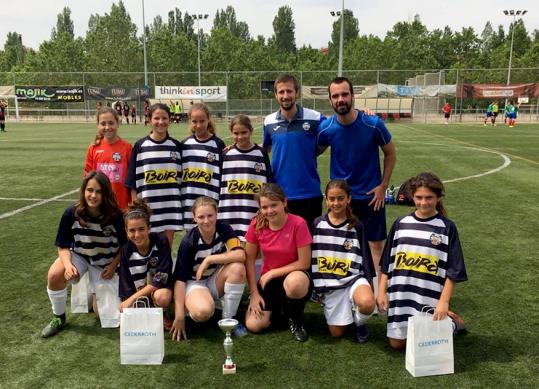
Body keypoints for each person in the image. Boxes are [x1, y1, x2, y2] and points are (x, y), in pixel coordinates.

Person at [318, 77, 396, 293]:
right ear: (330, 100)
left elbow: (390, 153)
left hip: (372, 197)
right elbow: (313, 149)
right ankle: (338, 287)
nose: (340, 99)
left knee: (376, 246)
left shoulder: (372, 123)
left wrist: (383, 186)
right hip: (341, 200)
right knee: (340, 245)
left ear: (352, 96)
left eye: (344, 94)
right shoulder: (327, 129)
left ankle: (379, 293)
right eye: (335, 96)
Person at [377, 172, 467, 349]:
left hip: (429, 297)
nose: (423, 202)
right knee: (397, 345)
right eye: (419, 197)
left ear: (439, 197)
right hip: (400, 295)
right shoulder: (401, 223)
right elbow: (387, 262)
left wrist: (444, 302)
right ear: (412, 196)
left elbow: (453, 271)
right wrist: (381, 291)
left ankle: (452, 322)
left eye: (429, 198)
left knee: (425, 345)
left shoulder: (447, 228)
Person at [41, 171, 127, 338]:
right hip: (80, 256)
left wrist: (114, 265)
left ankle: (92, 291)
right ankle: (58, 317)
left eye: (99, 191)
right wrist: (67, 265)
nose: (93, 195)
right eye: (90, 190)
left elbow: (125, 246)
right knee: (54, 275)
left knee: (102, 314)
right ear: (83, 191)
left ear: (106, 194)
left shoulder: (115, 215)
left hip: (104, 263)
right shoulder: (71, 213)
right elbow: (63, 245)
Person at [170, 196, 247, 341]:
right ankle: (190, 308)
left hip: (213, 277)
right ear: (194, 218)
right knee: (203, 312)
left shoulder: (223, 228)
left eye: (210, 215)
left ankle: (228, 320)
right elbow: (180, 281)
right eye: (201, 217)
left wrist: (209, 259)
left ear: (216, 213)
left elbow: (241, 254)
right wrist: (179, 316)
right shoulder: (189, 242)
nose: (206, 221)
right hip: (194, 283)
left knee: (238, 268)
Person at [244, 183, 312, 342]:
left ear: (285, 202)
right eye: (264, 207)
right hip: (269, 282)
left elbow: (304, 262)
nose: (269, 211)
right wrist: (254, 294)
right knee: (253, 325)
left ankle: (296, 320)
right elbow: (249, 260)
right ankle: (280, 311)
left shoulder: (298, 223)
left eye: (274, 205)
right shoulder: (256, 224)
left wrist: (273, 272)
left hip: (294, 275)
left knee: (295, 283)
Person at [311, 179, 376, 343]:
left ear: (349, 199)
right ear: (326, 199)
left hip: (353, 278)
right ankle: (344, 309)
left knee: (368, 303)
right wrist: (317, 288)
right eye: (332, 199)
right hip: (331, 284)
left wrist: (369, 281)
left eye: (340, 198)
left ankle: (359, 323)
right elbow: (312, 257)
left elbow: (365, 255)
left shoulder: (356, 225)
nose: (336, 202)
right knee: (336, 333)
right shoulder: (317, 224)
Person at [263, 74, 326, 230]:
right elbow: (265, 148)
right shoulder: (269, 121)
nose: (285, 96)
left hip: (309, 194)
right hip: (279, 196)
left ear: (296, 92)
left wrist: (362, 112)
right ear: (276, 95)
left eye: (289, 91)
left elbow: (335, 131)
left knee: (310, 245)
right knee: (283, 246)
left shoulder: (316, 118)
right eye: (281, 92)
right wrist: (239, 148)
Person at [125, 103, 182, 247]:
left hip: (170, 206)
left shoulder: (177, 146)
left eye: (164, 118)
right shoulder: (140, 146)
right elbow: (133, 180)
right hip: (147, 207)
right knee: (146, 248)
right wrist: (137, 208)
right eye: (157, 118)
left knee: (165, 249)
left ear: (169, 119)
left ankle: (164, 271)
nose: (161, 122)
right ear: (150, 119)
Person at [218, 114, 273, 240]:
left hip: (253, 210)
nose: (240, 136)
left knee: (252, 250)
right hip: (230, 211)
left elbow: (268, 179)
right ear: (231, 133)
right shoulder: (226, 154)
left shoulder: (260, 153)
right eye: (236, 133)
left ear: (251, 131)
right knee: (232, 249)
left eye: (244, 132)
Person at [118, 199, 173, 318]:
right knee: (126, 309)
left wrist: (133, 298)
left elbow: (161, 278)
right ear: (126, 232)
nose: (137, 235)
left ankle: (163, 313)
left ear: (149, 228)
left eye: (141, 229)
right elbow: (125, 284)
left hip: (158, 290)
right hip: (138, 294)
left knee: (162, 297)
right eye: (132, 230)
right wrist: (129, 302)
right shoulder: (126, 250)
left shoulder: (161, 241)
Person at [180, 103, 225, 230]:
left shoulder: (218, 144)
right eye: (194, 121)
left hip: (210, 201)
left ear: (208, 120)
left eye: (202, 121)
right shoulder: (184, 145)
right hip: (189, 202)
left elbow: (223, 174)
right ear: (189, 121)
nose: (198, 125)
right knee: (192, 240)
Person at [84, 106, 132, 211]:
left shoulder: (127, 148)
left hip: (121, 206)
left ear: (117, 123)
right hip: (99, 206)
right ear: (97, 125)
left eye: (111, 123)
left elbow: (132, 179)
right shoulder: (93, 148)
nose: (107, 127)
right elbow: (87, 178)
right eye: (103, 124)